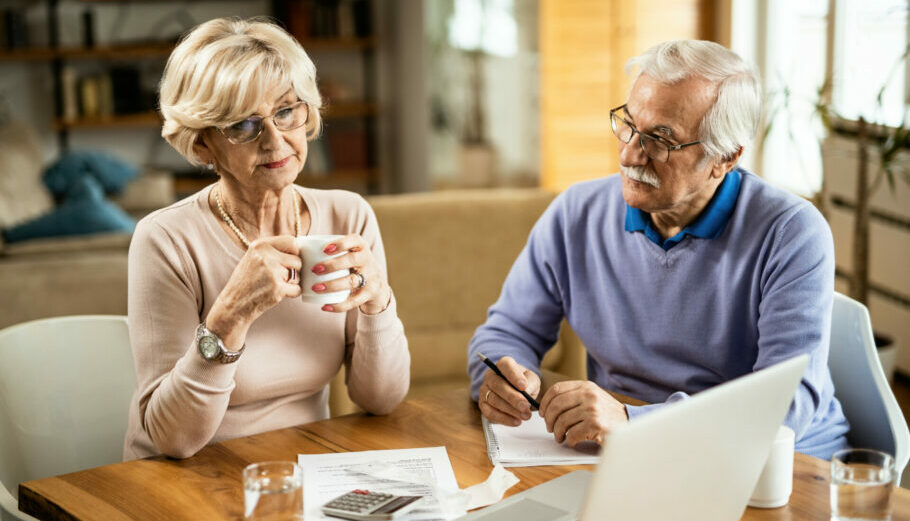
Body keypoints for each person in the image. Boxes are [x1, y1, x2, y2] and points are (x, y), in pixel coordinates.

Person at [467, 39, 849, 460]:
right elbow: (506, 331)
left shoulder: (792, 233)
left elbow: (783, 408)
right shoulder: (576, 214)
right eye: (628, 124)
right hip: (627, 456)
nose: (631, 152)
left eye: (661, 139)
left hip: (771, 464)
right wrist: (505, 377)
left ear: (725, 158)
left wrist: (633, 422)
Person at [124, 17, 409, 460]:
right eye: (243, 125)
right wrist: (230, 316)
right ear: (203, 145)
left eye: (285, 111)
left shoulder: (347, 215)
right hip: (185, 477)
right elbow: (173, 439)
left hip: (302, 470)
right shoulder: (165, 238)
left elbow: (380, 400)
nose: (276, 140)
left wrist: (378, 304)